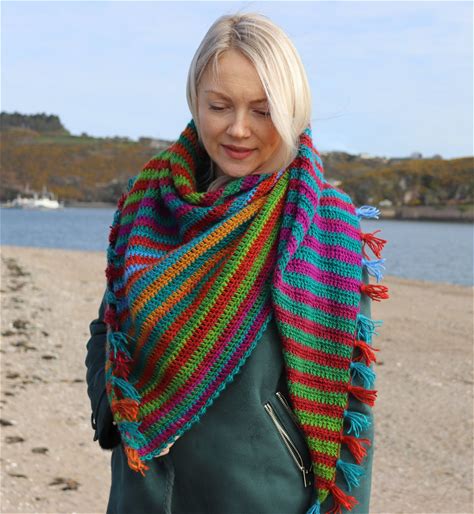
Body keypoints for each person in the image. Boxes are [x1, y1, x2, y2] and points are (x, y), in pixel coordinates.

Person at [85, 12, 389, 514]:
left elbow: (351, 403)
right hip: (142, 493)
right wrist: (113, 413)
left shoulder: (324, 227)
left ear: (292, 111)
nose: (239, 129)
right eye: (220, 106)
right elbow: (109, 325)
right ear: (195, 101)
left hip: (261, 497)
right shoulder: (150, 205)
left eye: (263, 110)